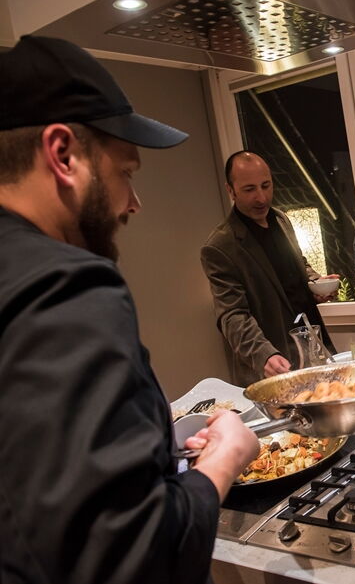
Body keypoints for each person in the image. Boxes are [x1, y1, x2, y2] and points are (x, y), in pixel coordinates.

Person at [0, 35, 258, 584]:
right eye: (127, 173)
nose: (133, 203)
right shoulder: (63, 284)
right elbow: (132, 555)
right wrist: (225, 458)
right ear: (62, 154)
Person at [201, 151, 339, 386]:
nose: (261, 197)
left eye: (266, 185)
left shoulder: (281, 220)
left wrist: (316, 283)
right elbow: (232, 315)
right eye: (249, 189)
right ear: (231, 190)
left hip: (315, 349)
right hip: (276, 362)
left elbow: (298, 264)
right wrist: (264, 355)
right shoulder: (220, 246)